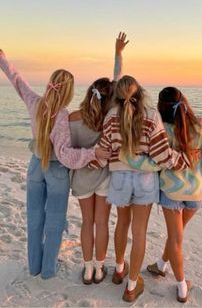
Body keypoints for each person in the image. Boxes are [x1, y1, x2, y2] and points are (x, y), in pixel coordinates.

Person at [0, 49, 108, 280]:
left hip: (35, 166)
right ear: (68, 92)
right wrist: (93, 152)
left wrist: (2, 59)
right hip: (56, 170)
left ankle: (33, 266)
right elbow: (66, 155)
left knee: (35, 216)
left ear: (49, 84)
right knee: (55, 220)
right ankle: (48, 270)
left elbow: (17, 81)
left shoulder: (34, 102)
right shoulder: (62, 116)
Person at [90, 76, 191, 303]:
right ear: (140, 93)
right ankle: (132, 286)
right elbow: (162, 156)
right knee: (139, 233)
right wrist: (185, 160)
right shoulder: (151, 115)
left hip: (119, 178)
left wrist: (88, 162)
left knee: (121, 224)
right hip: (144, 179)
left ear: (118, 95)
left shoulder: (111, 116)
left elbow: (103, 150)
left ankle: (118, 270)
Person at [147, 87, 202, 303]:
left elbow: (155, 160)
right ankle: (160, 265)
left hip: (172, 191)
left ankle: (181, 287)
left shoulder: (162, 130)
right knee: (177, 236)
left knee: (176, 238)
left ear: (161, 107)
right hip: (197, 192)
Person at [69, 32, 129, 284]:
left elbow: (67, 151)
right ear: (110, 97)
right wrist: (118, 53)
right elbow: (118, 79)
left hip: (82, 177)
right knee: (102, 222)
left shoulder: (72, 117)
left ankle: (88, 268)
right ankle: (101, 267)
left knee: (87, 223)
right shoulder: (111, 116)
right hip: (104, 176)